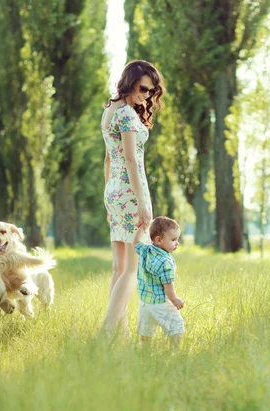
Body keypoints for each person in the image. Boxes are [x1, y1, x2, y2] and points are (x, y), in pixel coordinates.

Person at [99, 60, 165, 335]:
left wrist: (109, 199)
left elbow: (107, 159)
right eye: (143, 88)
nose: (147, 95)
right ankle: (104, 333)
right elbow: (129, 159)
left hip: (114, 191)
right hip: (130, 192)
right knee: (132, 270)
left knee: (119, 266)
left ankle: (120, 333)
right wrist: (141, 202)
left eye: (151, 91)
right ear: (129, 82)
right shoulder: (126, 114)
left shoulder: (110, 110)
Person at [133, 216, 184, 346]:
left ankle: (144, 352)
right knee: (176, 326)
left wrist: (142, 228)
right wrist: (175, 300)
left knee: (146, 332)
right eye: (173, 240)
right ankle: (175, 352)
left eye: (177, 239)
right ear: (159, 240)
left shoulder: (145, 250)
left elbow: (136, 242)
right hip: (161, 303)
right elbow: (168, 286)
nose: (177, 243)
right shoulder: (165, 262)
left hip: (145, 303)